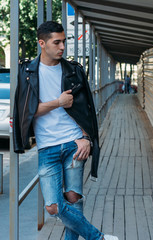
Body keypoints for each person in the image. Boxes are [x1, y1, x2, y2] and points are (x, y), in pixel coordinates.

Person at [13, 21, 118, 240]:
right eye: (56, 42)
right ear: (42, 43)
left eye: (64, 42)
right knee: (52, 206)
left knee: (73, 198)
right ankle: (97, 237)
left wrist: (86, 138)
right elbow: (27, 113)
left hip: (73, 143)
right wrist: (58, 102)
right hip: (47, 146)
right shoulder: (28, 72)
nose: (62, 47)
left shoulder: (73, 70)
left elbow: (86, 108)